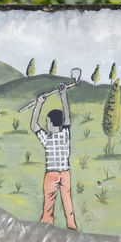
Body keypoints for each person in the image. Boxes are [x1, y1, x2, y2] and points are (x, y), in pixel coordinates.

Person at [31, 83, 77, 230]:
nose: (46, 124)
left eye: (47, 122)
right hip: (65, 173)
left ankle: (46, 224)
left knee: (48, 203)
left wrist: (39, 103)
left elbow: (33, 125)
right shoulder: (65, 135)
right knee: (67, 200)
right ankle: (71, 225)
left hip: (51, 174)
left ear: (50, 123)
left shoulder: (47, 139)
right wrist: (63, 95)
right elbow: (67, 117)